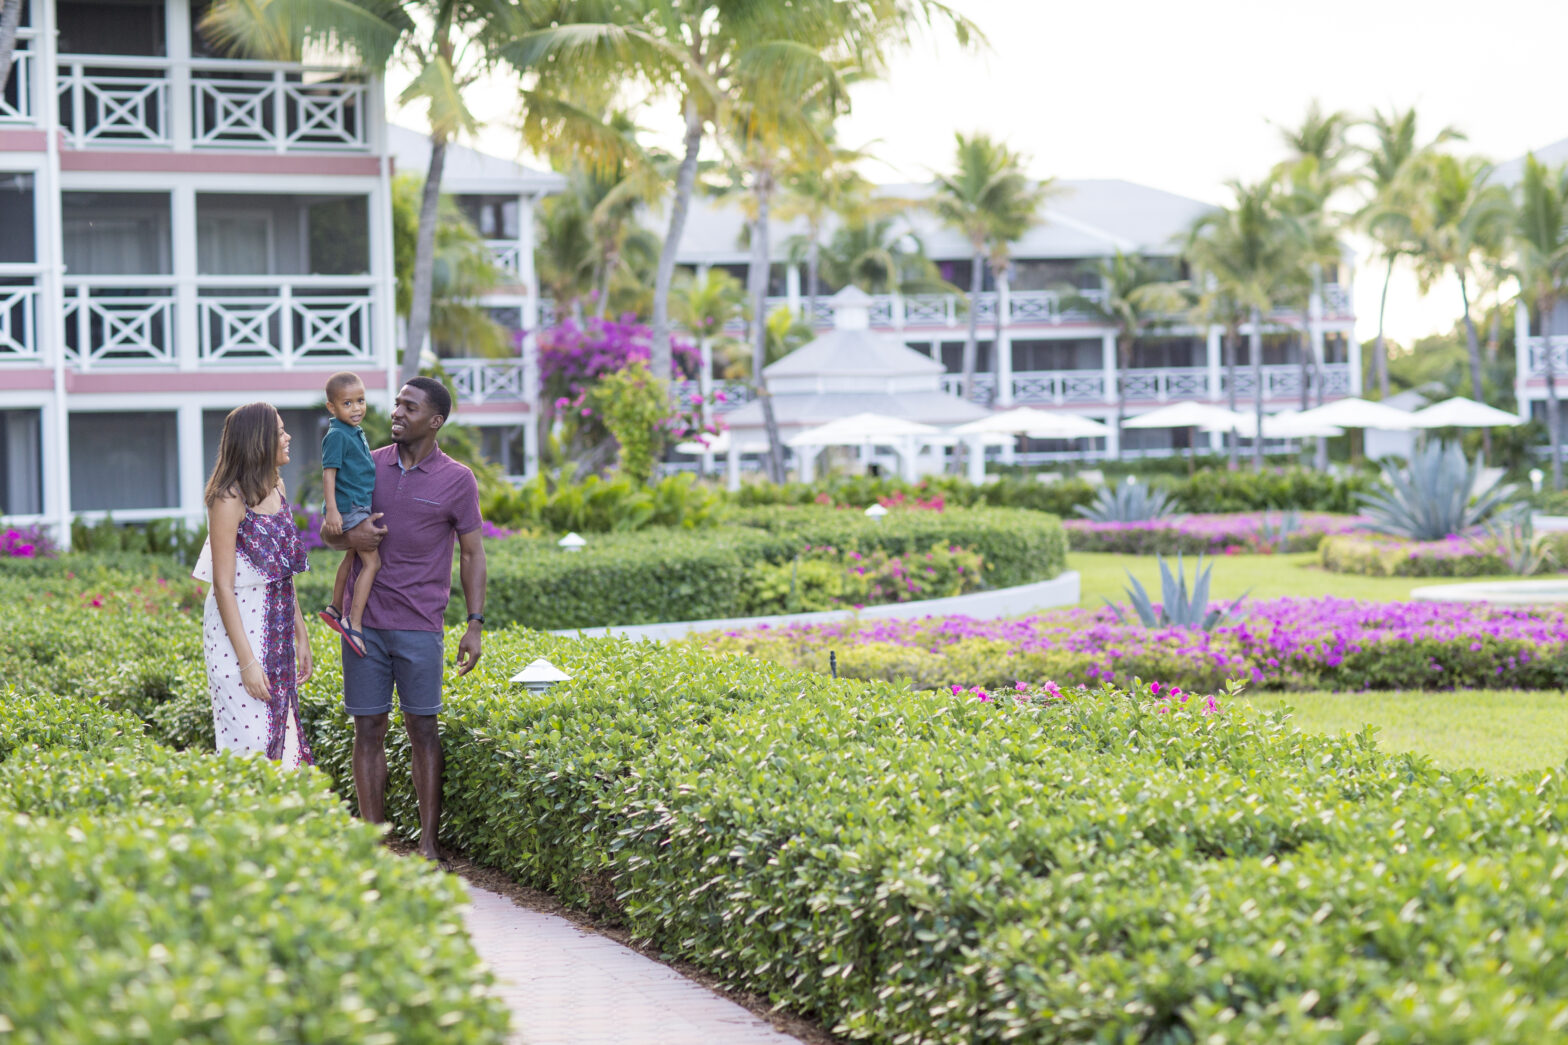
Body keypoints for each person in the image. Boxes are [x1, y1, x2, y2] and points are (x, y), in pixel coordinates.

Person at [327, 377, 486, 863]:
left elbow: (473, 553)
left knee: (423, 729)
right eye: (396, 403)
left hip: (421, 626)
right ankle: (374, 847)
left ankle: (428, 845)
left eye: (409, 407)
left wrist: (475, 622)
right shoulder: (366, 463)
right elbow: (332, 535)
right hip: (364, 626)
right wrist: (354, 540)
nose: (396, 411)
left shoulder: (458, 480)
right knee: (367, 728)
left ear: (434, 421)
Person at [195, 402, 314, 767]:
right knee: (252, 752)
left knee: (286, 748)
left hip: (278, 629)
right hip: (238, 635)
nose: (288, 436)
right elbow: (222, 584)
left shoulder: (277, 487)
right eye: (279, 431)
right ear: (259, 440)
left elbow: (283, 569)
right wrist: (247, 663)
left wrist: (301, 633)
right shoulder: (228, 498)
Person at [317, 370, 380, 658]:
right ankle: (353, 623)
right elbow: (329, 475)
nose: (356, 409)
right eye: (348, 403)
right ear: (331, 407)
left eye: (361, 401)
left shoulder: (353, 431)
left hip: (357, 505)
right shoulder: (337, 435)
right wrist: (332, 511)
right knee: (372, 562)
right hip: (348, 507)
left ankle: (334, 607)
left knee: (352, 555)